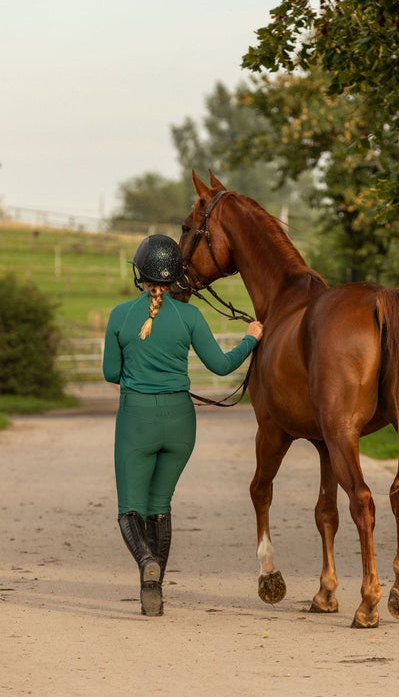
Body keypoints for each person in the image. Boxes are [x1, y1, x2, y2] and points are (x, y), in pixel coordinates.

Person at [102, 234, 263, 617]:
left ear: (139, 273)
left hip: (136, 421)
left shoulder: (120, 314)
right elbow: (223, 366)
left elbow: (111, 372)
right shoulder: (190, 315)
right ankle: (155, 589)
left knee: (130, 509)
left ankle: (146, 565)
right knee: (160, 505)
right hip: (180, 422)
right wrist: (250, 339)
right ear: (176, 275)